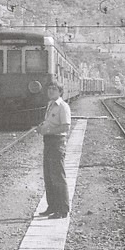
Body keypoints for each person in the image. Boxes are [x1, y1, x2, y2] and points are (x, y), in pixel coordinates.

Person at [35, 82, 72, 219]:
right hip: (49, 141)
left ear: (60, 91)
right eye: (49, 88)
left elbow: (65, 127)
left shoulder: (63, 106)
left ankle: (63, 209)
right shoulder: (50, 105)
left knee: (58, 176)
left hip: (57, 143)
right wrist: (42, 128)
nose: (50, 91)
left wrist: (48, 130)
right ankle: (52, 206)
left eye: (54, 89)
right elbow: (50, 123)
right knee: (49, 176)